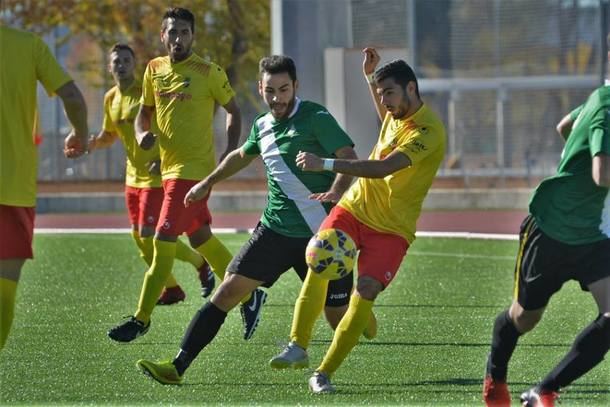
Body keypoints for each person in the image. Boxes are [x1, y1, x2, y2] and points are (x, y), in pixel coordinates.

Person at [134, 54, 380, 384]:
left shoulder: (316, 117)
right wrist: (208, 182)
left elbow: (348, 158)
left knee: (338, 317)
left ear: (295, 86)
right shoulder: (262, 125)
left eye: (283, 89)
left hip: (320, 234)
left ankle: (363, 313)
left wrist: (335, 192)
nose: (277, 98)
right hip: (274, 232)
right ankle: (177, 367)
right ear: (259, 88)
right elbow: (241, 155)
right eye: (270, 91)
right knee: (226, 293)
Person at [268, 47, 446, 394]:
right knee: (318, 256)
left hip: (392, 229)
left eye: (389, 93)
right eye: (381, 95)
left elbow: (381, 169)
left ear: (411, 88)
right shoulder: (397, 112)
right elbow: (386, 111)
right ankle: (297, 346)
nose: (385, 102)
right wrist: (370, 76)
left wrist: (327, 164)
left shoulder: (428, 132)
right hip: (355, 208)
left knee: (365, 290)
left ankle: (323, 373)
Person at [106, 7, 259, 342]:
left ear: (193, 36)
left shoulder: (208, 71)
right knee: (201, 238)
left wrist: (231, 150)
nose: (178, 38)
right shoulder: (153, 69)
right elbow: (143, 114)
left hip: (193, 174)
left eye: (184, 32)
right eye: (172, 32)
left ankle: (141, 318)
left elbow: (233, 111)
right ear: (163, 35)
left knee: (161, 243)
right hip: (168, 171)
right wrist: (141, 131)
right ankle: (249, 294)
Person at [482, 44, 610, 407]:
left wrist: (577, 156)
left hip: (595, 238)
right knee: (524, 318)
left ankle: (545, 390)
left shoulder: (599, 99)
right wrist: (583, 176)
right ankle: (496, 376)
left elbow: (565, 126)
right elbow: (602, 175)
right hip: (553, 229)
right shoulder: (607, 104)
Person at [88, 43, 215, 305]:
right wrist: (88, 143)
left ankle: (199, 262)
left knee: (149, 234)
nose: (121, 65)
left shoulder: (146, 93)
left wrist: (162, 158)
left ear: (134, 64)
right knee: (139, 239)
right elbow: (109, 135)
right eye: (116, 61)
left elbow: (169, 125)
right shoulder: (110, 97)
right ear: (109, 66)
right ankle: (172, 288)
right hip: (132, 177)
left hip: (157, 175)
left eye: (126, 60)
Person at [0, 25, 88, 350]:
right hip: (13, 188)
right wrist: (80, 133)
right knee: (4, 293)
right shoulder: (29, 46)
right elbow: (73, 98)